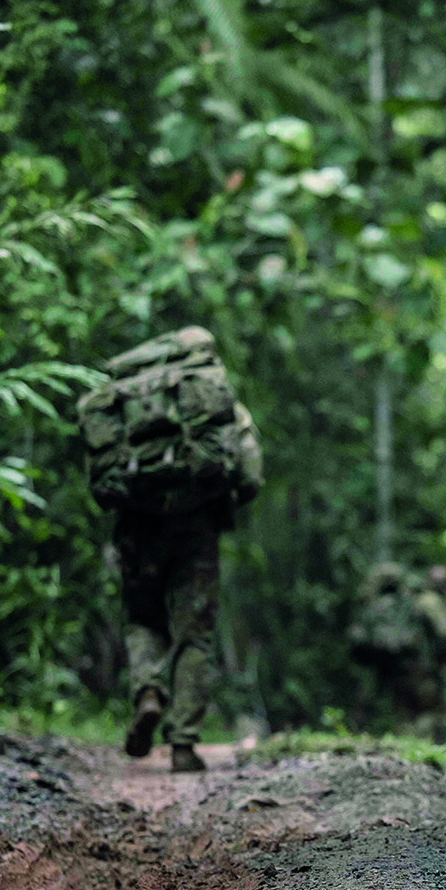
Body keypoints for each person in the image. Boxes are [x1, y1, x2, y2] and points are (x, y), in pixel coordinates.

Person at [76, 327, 263, 773]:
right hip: (196, 529)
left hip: (137, 527)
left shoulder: (122, 402)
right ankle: (182, 744)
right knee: (192, 633)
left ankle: (147, 693)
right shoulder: (218, 403)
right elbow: (251, 476)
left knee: (143, 618)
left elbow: (100, 476)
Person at [350, 561, 446, 735]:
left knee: (369, 701)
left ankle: (358, 734)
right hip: (409, 660)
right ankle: (412, 741)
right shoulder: (421, 601)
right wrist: (440, 661)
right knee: (417, 706)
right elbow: (444, 633)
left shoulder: (370, 602)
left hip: (377, 658)